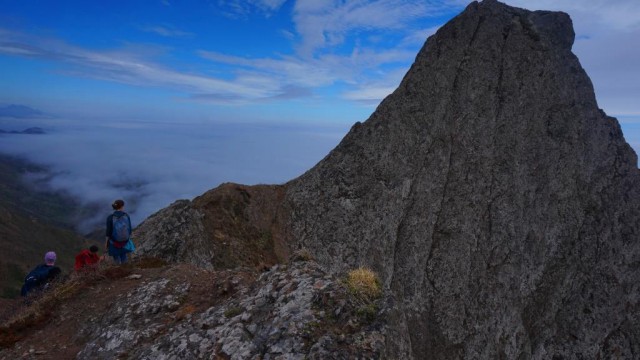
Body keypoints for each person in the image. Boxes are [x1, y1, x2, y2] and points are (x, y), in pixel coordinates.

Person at [105, 199, 133, 264]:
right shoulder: (126, 216)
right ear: (122, 206)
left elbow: (108, 232)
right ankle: (125, 269)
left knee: (116, 257)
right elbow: (130, 229)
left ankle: (118, 270)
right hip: (124, 240)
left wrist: (106, 243)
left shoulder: (110, 217)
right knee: (123, 255)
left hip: (114, 241)